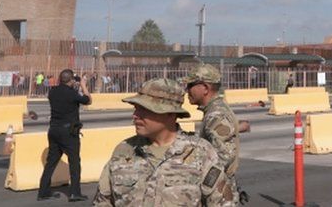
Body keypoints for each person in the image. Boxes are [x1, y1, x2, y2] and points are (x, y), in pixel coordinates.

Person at [93, 78, 236, 206]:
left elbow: (222, 203)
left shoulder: (199, 153)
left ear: (170, 114)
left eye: (145, 109)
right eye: (136, 108)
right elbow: (102, 202)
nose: (135, 115)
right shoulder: (124, 151)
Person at [37, 69, 91, 201]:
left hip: (54, 130)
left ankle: (43, 192)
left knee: (51, 162)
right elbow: (88, 100)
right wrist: (83, 85)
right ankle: (74, 193)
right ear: (71, 80)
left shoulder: (53, 92)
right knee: (74, 162)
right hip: (68, 132)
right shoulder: (72, 93)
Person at [183, 64, 240, 181]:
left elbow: (223, 157)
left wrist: (199, 184)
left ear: (205, 88)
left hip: (218, 189)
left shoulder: (216, 114)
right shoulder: (213, 110)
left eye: (190, 85)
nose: (187, 90)